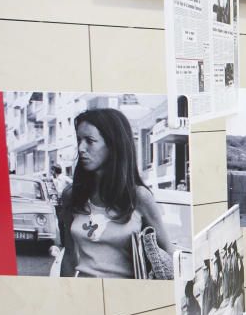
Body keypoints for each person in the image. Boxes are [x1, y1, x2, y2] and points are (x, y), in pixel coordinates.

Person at [59, 109, 172, 279]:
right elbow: (68, 257)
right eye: (79, 140)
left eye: (90, 141)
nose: (81, 148)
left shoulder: (139, 197)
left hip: (128, 298)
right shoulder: (71, 195)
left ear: (113, 145)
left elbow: (168, 254)